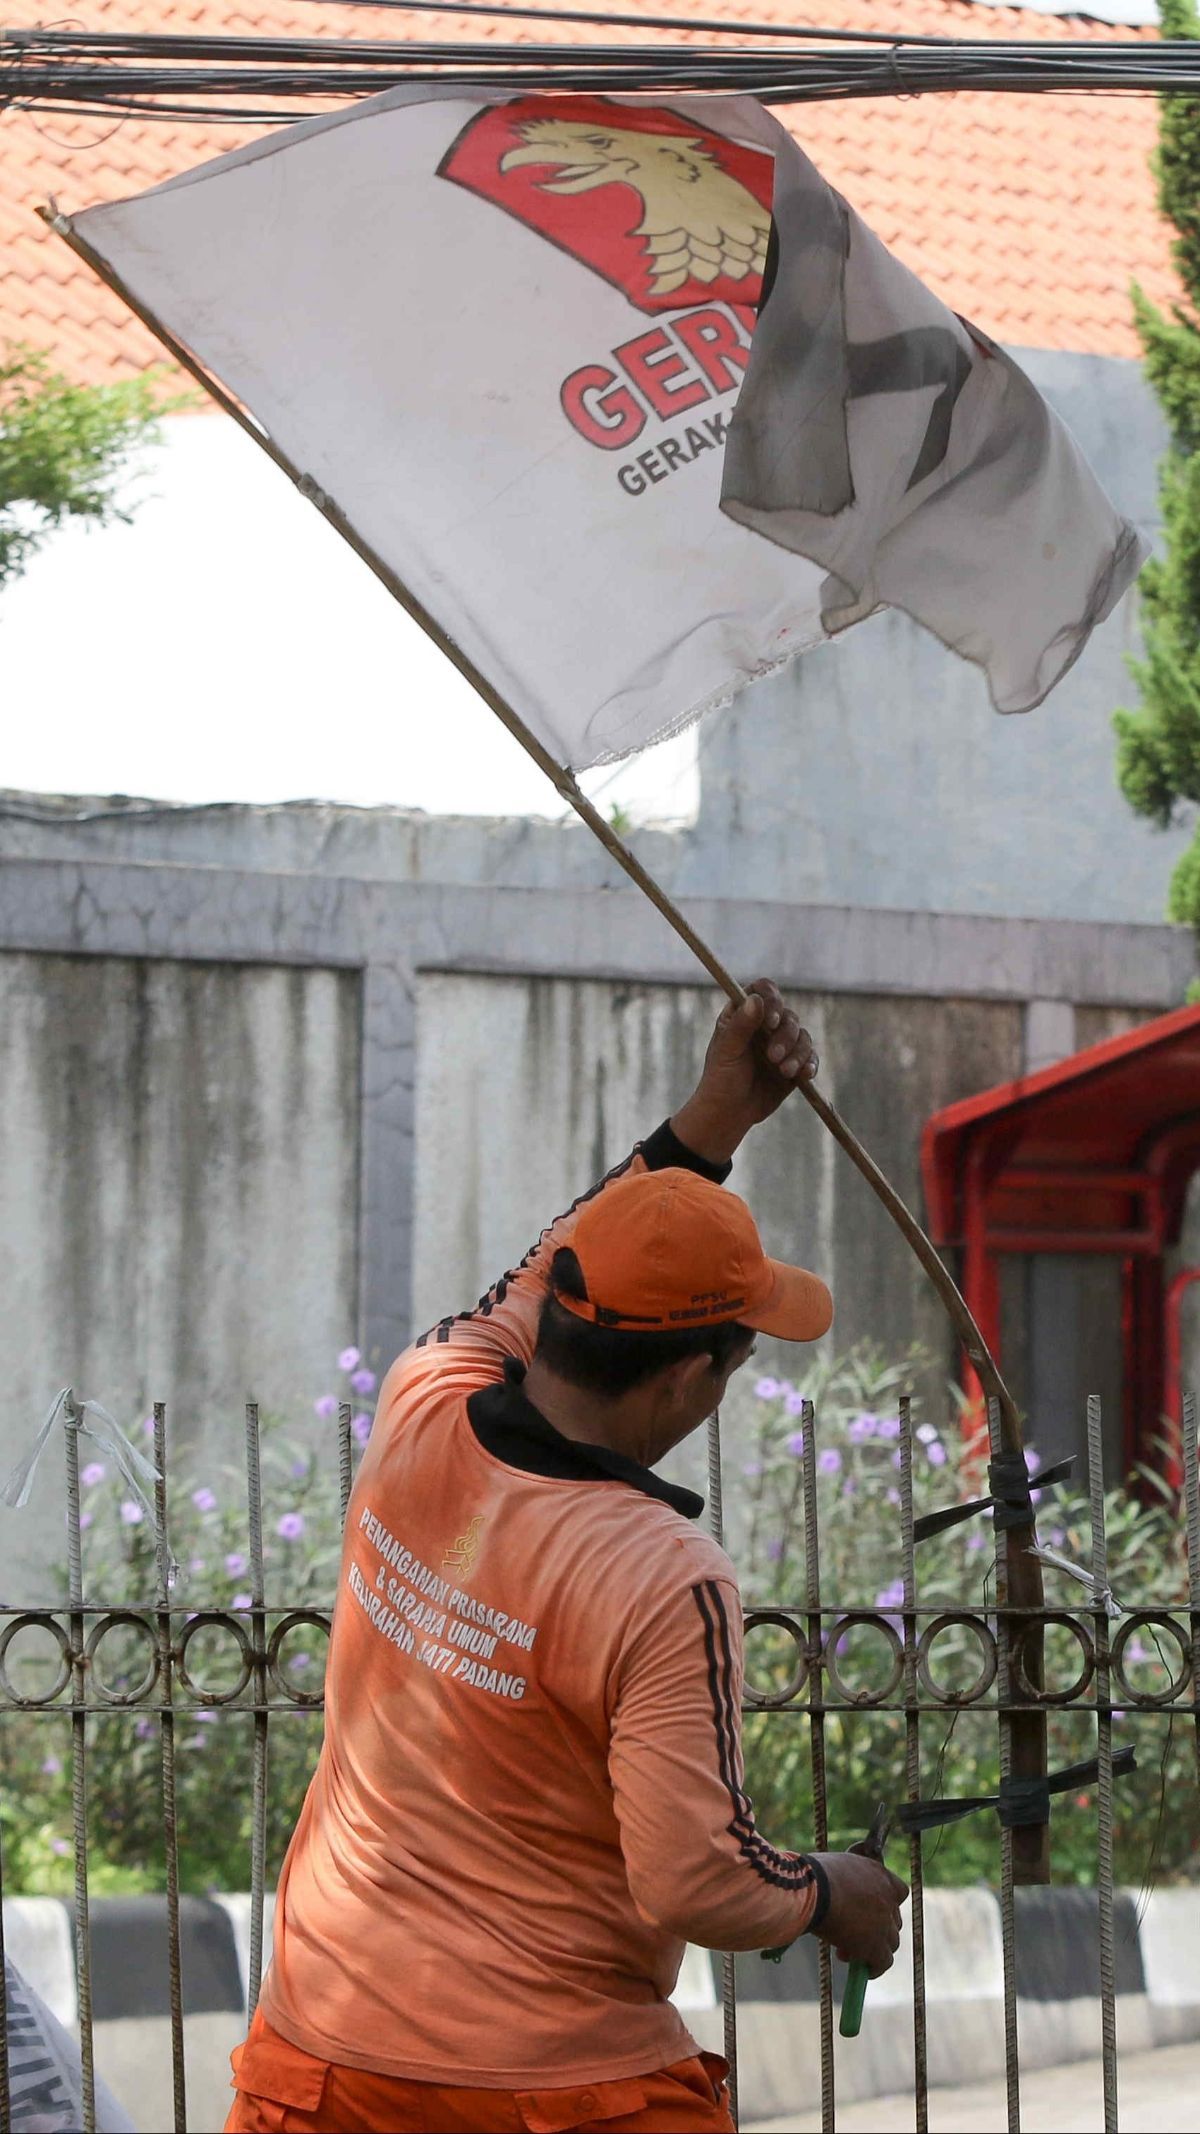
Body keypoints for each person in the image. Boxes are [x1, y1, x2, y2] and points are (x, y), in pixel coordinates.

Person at [226, 979, 908, 2134]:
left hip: (323, 2054)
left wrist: (710, 1119)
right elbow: (697, 1879)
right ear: (698, 1376)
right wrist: (836, 1890)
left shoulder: (423, 1397)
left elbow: (556, 1255)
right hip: (558, 2087)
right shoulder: (661, 1571)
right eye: (740, 1353)